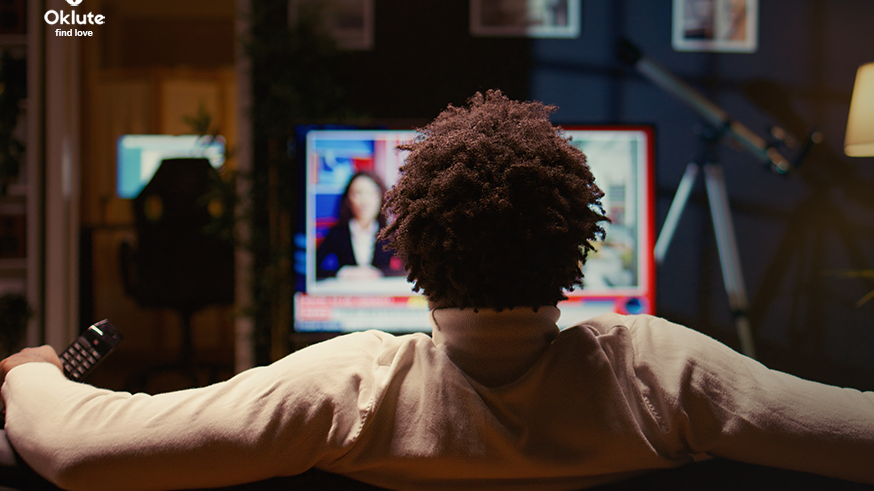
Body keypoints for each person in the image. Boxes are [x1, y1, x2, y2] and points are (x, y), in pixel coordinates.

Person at [2, 90, 874, 491]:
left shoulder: (347, 386)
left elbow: (77, 449)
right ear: (578, 236)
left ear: (410, 241)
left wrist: (33, 370)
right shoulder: (663, 371)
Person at [315, 170, 403, 280]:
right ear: (347, 200)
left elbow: (409, 269)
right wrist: (342, 273)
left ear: (381, 198)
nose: (365, 201)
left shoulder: (390, 234)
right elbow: (311, 269)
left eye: (372, 193)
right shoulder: (336, 233)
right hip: (346, 295)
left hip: (382, 296)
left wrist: (380, 274)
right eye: (358, 193)